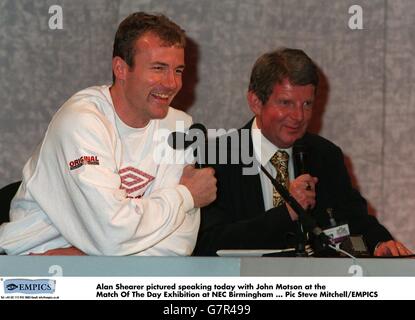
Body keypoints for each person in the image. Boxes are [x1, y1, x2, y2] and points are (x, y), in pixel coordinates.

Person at [0, 12, 216, 256]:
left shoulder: (179, 127)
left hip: (105, 272)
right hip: (35, 268)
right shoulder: (82, 121)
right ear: (121, 68)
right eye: (158, 68)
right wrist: (186, 195)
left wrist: (91, 257)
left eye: (178, 70)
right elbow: (111, 235)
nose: (171, 83)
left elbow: (177, 246)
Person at [193, 48, 412, 257]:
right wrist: (287, 213)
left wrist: (380, 243)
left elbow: (355, 219)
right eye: (286, 103)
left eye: (307, 104)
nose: (298, 116)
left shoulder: (325, 155)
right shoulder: (217, 156)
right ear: (256, 102)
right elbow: (209, 242)